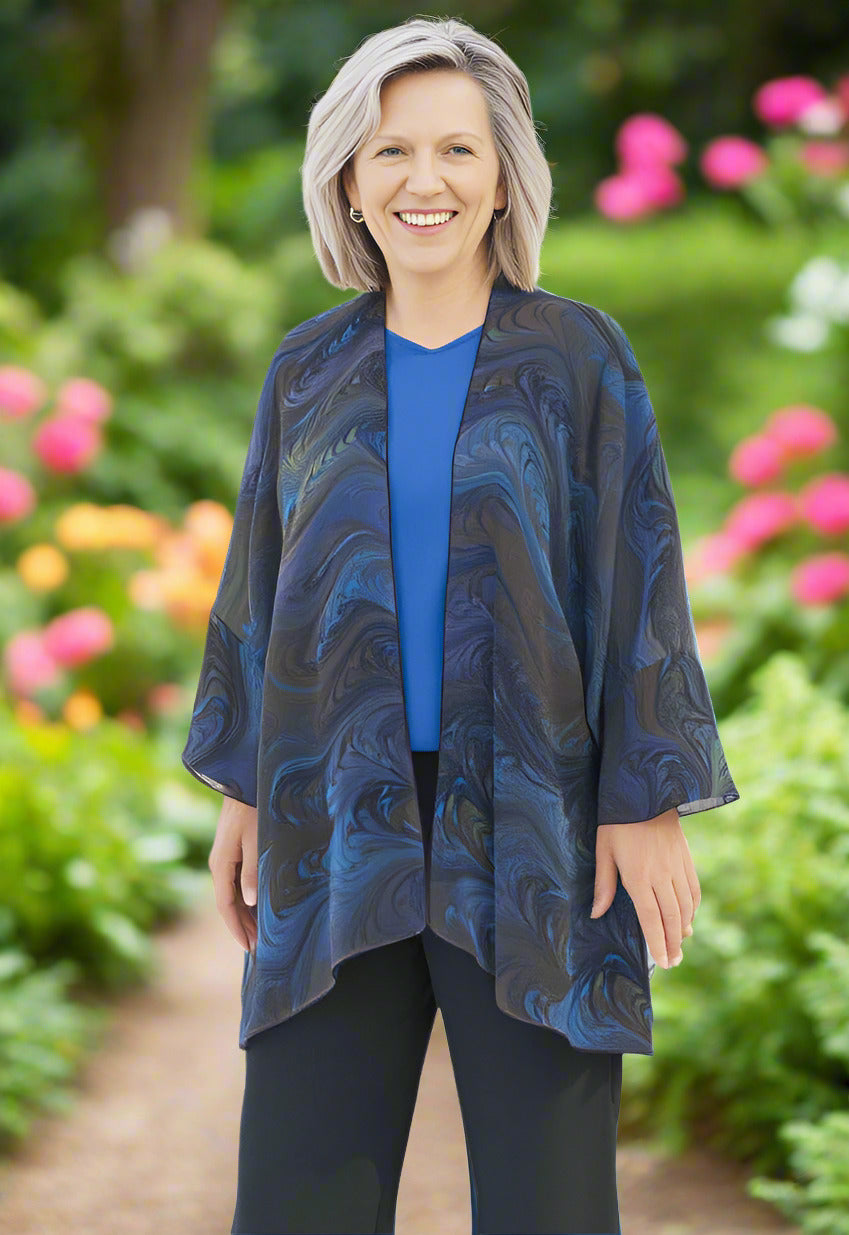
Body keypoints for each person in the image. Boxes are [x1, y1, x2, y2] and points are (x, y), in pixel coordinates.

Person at [181, 14, 740, 1235]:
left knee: (550, 1206)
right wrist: (243, 790)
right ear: (347, 181)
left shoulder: (580, 359)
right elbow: (262, 589)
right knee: (295, 1201)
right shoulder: (305, 371)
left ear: (501, 181)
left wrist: (643, 797)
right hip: (335, 820)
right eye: (388, 153)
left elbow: (638, 574)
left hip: (537, 823)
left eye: (456, 152)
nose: (422, 181)